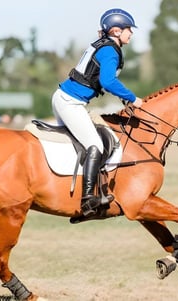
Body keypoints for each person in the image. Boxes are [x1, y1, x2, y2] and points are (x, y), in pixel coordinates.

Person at [52, 8, 143, 217]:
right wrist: (132, 98)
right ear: (117, 31)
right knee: (95, 144)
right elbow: (108, 81)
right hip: (70, 103)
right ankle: (88, 201)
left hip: (66, 99)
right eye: (129, 29)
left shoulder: (105, 45)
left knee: (80, 144)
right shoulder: (110, 50)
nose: (132, 33)